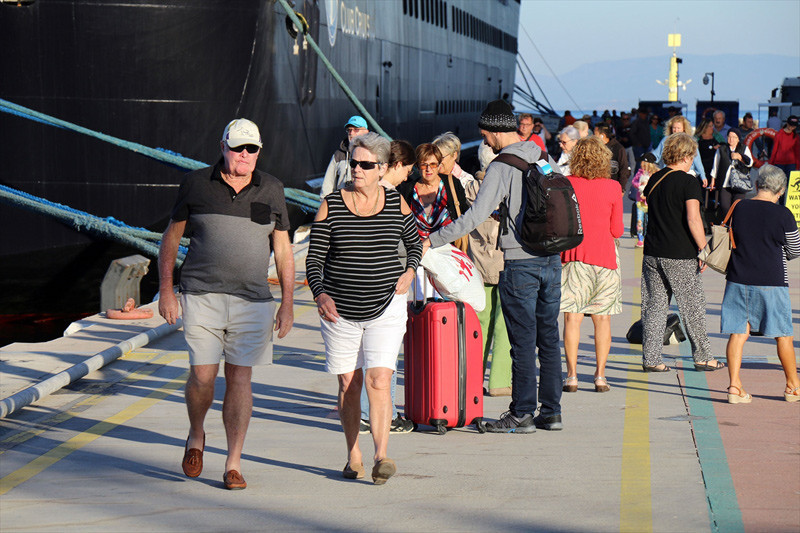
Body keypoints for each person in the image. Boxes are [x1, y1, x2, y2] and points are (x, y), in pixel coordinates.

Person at [158, 118, 295, 490]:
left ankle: (233, 463)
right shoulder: (196, 184)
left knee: (240, 379)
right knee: (203, 375)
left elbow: (282, 249)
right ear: (223, 147)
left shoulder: (272, 189)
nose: (245, 155)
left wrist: (287, 303)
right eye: (239, 148)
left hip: (253, 300)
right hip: (201, 294)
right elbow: (170, 240)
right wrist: (166, 290)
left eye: (252, 149)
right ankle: (197, 434)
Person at [423, 99, 565, 433]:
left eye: (486, 135)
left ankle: (521, 412)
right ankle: (552, 412)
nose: (485, 142)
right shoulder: (544, 158)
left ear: (493, 131)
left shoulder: (502, 165)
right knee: (548, 336)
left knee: (522, 340)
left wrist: (434, 239)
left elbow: (475, 216)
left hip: (520, 262)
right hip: (551, 259)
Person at [306, 132, 423, 484]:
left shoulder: (396, 203)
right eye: (354, 163)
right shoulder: (332, 203)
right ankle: (353, 453)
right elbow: (314, 259)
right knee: (349, 384)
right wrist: (319, 294)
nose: (357, 169)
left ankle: (381, 455)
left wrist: (410, 271)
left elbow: (415, 243)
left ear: (382, 168)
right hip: (340, 310)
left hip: (387, 305)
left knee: (379, 379)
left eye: (366, 165)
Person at [640, 133, 725, 373]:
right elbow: (693, 218)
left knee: (654, 306)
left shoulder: (655, 178)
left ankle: (652, 358)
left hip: (653, 252)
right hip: (679, 253)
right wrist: (704, 248)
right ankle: (703, 357)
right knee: (693, 307)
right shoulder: (689, 182)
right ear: (686, 156)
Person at [721, 164, 800, 403]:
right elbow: (795, 249)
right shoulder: (783, 214)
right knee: (783, 335)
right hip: (772, 281)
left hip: (737, 279)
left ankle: (735, 386)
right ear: (781, 190)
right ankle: (792, 386)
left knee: (738, 333)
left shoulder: (739, 207)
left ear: (757, 184)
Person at [359, 140, 417, 435]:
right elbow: (402, 243)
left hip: (360, 284)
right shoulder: (390, 197)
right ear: (396, 165)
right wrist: (409, 269)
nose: (408, 175)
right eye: (407, 168)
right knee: (385, 354)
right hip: (389, 283)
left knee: (365, 353)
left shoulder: (361, 191)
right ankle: (385, 414)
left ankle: (363, 410)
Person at [559, 137, 623, 394]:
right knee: (602, 320)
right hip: (604, 258)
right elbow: (617, 230)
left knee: (572, 319)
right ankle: (600, 376)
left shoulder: (566, 185)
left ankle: (572, 376)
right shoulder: (612, 187)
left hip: (573, 256)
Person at [466, 142, 512, 397]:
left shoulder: (471, 189)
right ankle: (500, 382)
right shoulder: (506, 187)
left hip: (479, 265)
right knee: (504, 324)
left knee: (480, 325)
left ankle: (474, 378)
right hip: (506, 263)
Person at [398, 143, 470, 299]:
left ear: (439, 165)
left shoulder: (452, 184)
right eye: (424, 165)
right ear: (418, 166)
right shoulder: (407, 188)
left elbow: (465, 215)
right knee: (417, 303)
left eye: (433, 164)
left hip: (446, 258)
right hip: (417, 258)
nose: (429, 169)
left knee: (444, 306)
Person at [319, 116, 369, 198]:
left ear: (366, 132)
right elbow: (327, 186)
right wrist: (324, 205)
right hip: (342, 206)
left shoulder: (373, 155)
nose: (351, 133)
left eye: (356, 129)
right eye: (349, 130)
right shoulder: (338, 155)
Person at [652, 115, 706, 183]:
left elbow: (697, 160)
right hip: (669, 173)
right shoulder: (666, 140)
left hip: (686, 173)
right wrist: (647, 159)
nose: (676, 130)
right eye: (674, 128)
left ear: (684, 128)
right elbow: (656, 155)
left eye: (678, 128)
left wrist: (703, 176)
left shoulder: (689, 141)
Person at [710, 129, 754, 213]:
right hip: (725, 183)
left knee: (738, 206)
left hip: (740, 182)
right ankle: (728, 223)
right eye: (729, 137)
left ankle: (734, 224)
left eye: (734, 137)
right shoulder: (721, 149)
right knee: (724, 206)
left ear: (738, 139)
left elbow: (750, 163)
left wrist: (739, 157)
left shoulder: (744, 148)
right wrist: (713, 180)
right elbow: (715, 165)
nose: (731, 139)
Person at [768, 115, 799, 204]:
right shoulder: (779, 134)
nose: (793, 127)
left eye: (795, 125)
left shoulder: (796, 137)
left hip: (791, 164)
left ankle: (790, 204)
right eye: (791, 125)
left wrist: (797, 166)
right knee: (781, 185)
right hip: (779, 163)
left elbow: (797, 152)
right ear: (787, 124)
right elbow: (774, 150)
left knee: (791, 185)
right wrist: (771, 163)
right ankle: (781, 204)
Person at [631, 153, 658, 247]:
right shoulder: (640, 172)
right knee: (639, 220)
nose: (641, 165)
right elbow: (633, 181)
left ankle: (649, 237)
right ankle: (640, 238)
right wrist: (640, 185)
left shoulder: (655, 174)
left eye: (643, 163)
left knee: (650, 220)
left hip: (650, 201)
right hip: (640, 200)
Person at [594, 124, 631, 192]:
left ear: (602, 135)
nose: (593, 137)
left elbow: (624, 169)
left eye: (595, 134)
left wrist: (622, 188)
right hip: (597, 188)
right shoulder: (595, 148)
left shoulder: (618, 149)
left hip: (613, 188)